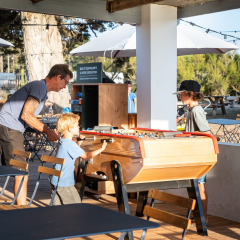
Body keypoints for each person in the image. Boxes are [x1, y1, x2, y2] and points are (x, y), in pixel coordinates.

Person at [0, 64, 73, 206]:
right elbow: (26, 115)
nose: (65, 86)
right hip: (9, 128)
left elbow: (26, 118)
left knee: (17, 171)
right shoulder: (40, 87)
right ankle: (21, 212)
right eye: (66, 82)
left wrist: (44, 130)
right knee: (22, 173)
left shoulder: (40, 88)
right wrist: (48, 131)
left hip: (7, 126)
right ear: (58, 77)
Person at [173, 80, 211, 224]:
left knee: (200, 185)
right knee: (195, 185)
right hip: (193, 153)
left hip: (200, 154)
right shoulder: (190, 110)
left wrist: (188, 135)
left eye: (182, 94)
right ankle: (198, 216)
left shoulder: (196, 111)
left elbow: (206, 132)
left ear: (191, 94)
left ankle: (203, 218)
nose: (180, 96)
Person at [50, 113, 107, 205]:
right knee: (76, 206)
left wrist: (78, 143)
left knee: (58, 209)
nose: (79, 127)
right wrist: (102, 148)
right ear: (70, 128)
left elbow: (71, 152)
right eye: (77, 125)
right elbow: (87, 156)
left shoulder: (62, 141)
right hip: (65, 183)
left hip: (55, 181)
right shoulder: (70, 144)